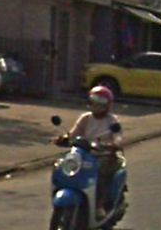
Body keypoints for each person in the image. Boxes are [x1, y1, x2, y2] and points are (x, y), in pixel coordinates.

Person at [55, 85, 123, 220]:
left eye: (101, 103)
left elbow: (118, 136)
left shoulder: (111, 120)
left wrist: (114, 144)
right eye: (94, 101)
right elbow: (73, 134)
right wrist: (64, 139)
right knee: (61, 166)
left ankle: (99, 205)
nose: (97, 106)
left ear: (108, 105)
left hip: (103, 155)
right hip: (84, 154)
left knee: (100, 172)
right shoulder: (85, 118)